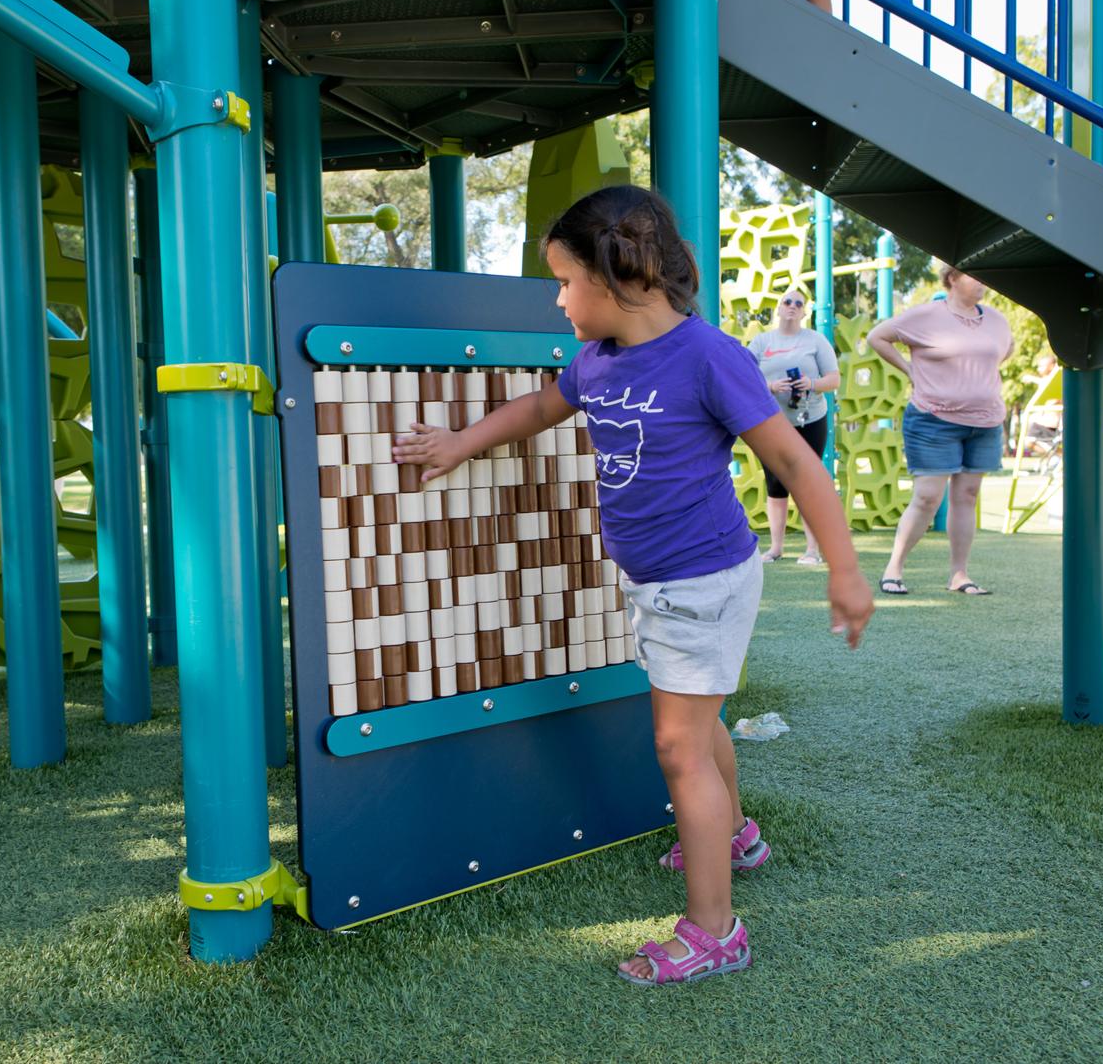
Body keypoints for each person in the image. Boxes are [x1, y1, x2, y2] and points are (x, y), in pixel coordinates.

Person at [392, 185, 874, 986]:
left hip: (702, 579)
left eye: (565, 280)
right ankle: (736, 835)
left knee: (676, 746)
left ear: (622, 279)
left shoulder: (709, 356)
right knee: (702, 715)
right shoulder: (597, 361)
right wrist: (459, 443)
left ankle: (715, 931)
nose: (557, 298)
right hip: (660, 583)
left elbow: (792, 460)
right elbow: (541, 407)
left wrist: (847, 572)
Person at [866, 265, 1015, 596]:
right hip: (934, 419)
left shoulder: (996, 319)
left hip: (986, 422)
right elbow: (877, 337)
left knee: (968, 496)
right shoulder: (925, 316)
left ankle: (959, 575)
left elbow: (1005, 350)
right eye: (975, 275)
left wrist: (973, 379)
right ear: (952, 278)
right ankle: (894, 568)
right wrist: (909, 369)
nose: (983, 282)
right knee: (928, 497)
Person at [745, 288, 842, 564]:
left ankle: (812, 550)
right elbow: (744, 378)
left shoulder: (815, 340)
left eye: (798, 303)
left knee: (807, 483)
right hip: (772, 423)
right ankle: (776, 548)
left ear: (804, 312)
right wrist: (771, 387)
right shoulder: (762, 342)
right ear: (778, 308)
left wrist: (811, 384)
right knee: (776, 484)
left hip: (809, 419)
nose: (792, 306)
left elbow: (834, 379)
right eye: (787, 301)